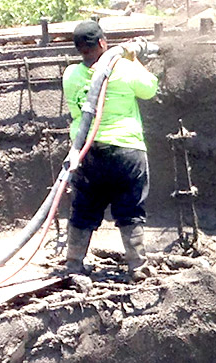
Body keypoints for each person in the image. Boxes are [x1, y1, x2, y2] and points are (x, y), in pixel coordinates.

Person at [62, 21, 159, 277]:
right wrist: (133, 58)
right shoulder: (124, 68)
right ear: (103, 43)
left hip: (86, 152)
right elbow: (150, 88)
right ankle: (137, 267)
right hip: (125, 150)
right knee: (130, 208)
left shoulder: (70, 74)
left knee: (83, 208)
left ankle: (73, 264)